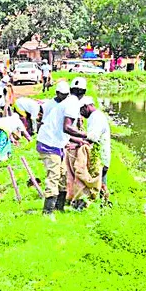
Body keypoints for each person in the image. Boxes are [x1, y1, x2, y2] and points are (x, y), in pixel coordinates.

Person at [36, 77, 89, 216]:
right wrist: (86, 135)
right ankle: (47, 213)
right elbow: (67, 128)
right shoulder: (72, 104)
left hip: (56, 143)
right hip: (49, 144)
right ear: (83, 92)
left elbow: (63, 130)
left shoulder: (68, 102)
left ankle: (59, 208)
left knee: (63, 175)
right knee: (53, 176)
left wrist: (79, 141)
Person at [80, 97, 111, 195]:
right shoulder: (96, 115)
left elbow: (92, 137)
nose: (81, 113)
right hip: (102, 156)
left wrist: (77, 139)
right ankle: (104, 203)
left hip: (99, 157)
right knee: (101, 182)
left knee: (96, 183)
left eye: (81, 110)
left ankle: (99, 202)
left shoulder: (95, 117)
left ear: (86, 107)